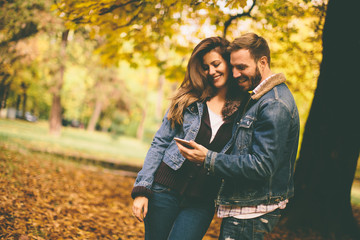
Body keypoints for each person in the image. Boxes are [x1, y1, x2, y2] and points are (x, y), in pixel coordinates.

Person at [176, 32, 300, 240]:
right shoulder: (258, 99)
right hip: (245, 207)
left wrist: (208, 158)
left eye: (241, 67)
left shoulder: (274, 104)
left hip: (253, 211)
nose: (234, 74)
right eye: (232, 67)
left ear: (263, 62)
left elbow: (262, 165)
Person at [131, 37, 247, 240]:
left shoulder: (244, 110)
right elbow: (160, 143)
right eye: (205, 67)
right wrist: (142, 190)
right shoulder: (189, 100)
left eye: (216, 64)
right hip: (163, 191)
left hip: (201, 202)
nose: (211, 71)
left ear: (229, 63)